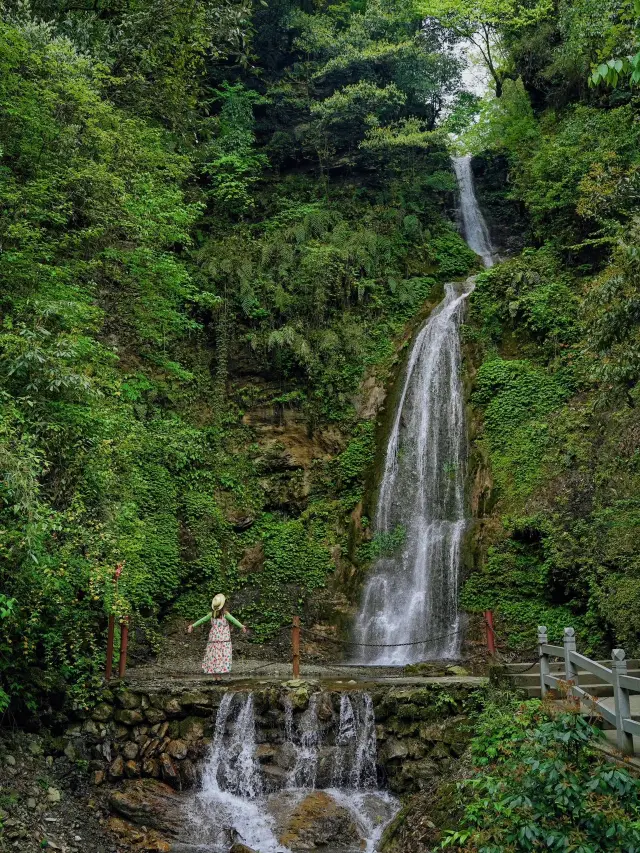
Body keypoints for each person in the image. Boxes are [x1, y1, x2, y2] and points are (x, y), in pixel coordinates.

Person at [187, 594, 247, 681]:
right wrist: (242, 626)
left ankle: (215, 676)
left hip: (214, 638)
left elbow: (202, 620)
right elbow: (234, 620)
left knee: (213, 655)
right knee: (222, 655)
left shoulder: (211, 614)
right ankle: (219, 677)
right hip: (223, 639)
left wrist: (193, 625)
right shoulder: (225, 614)